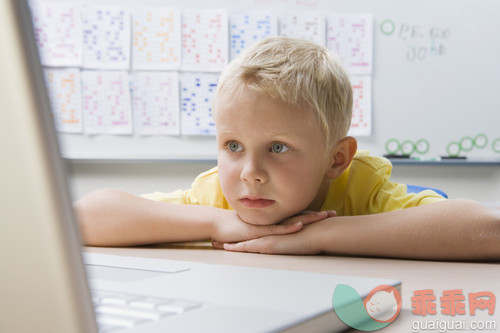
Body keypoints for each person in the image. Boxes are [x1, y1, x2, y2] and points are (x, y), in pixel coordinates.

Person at [75, 37, 500, 261]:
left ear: (337, 158)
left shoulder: (364, 189)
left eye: (278, 147)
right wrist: (218, 223)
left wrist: (319, 236)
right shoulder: (218, 196)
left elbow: (489, 230)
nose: (249, 172)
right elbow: (82, 219)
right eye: (233, 146)